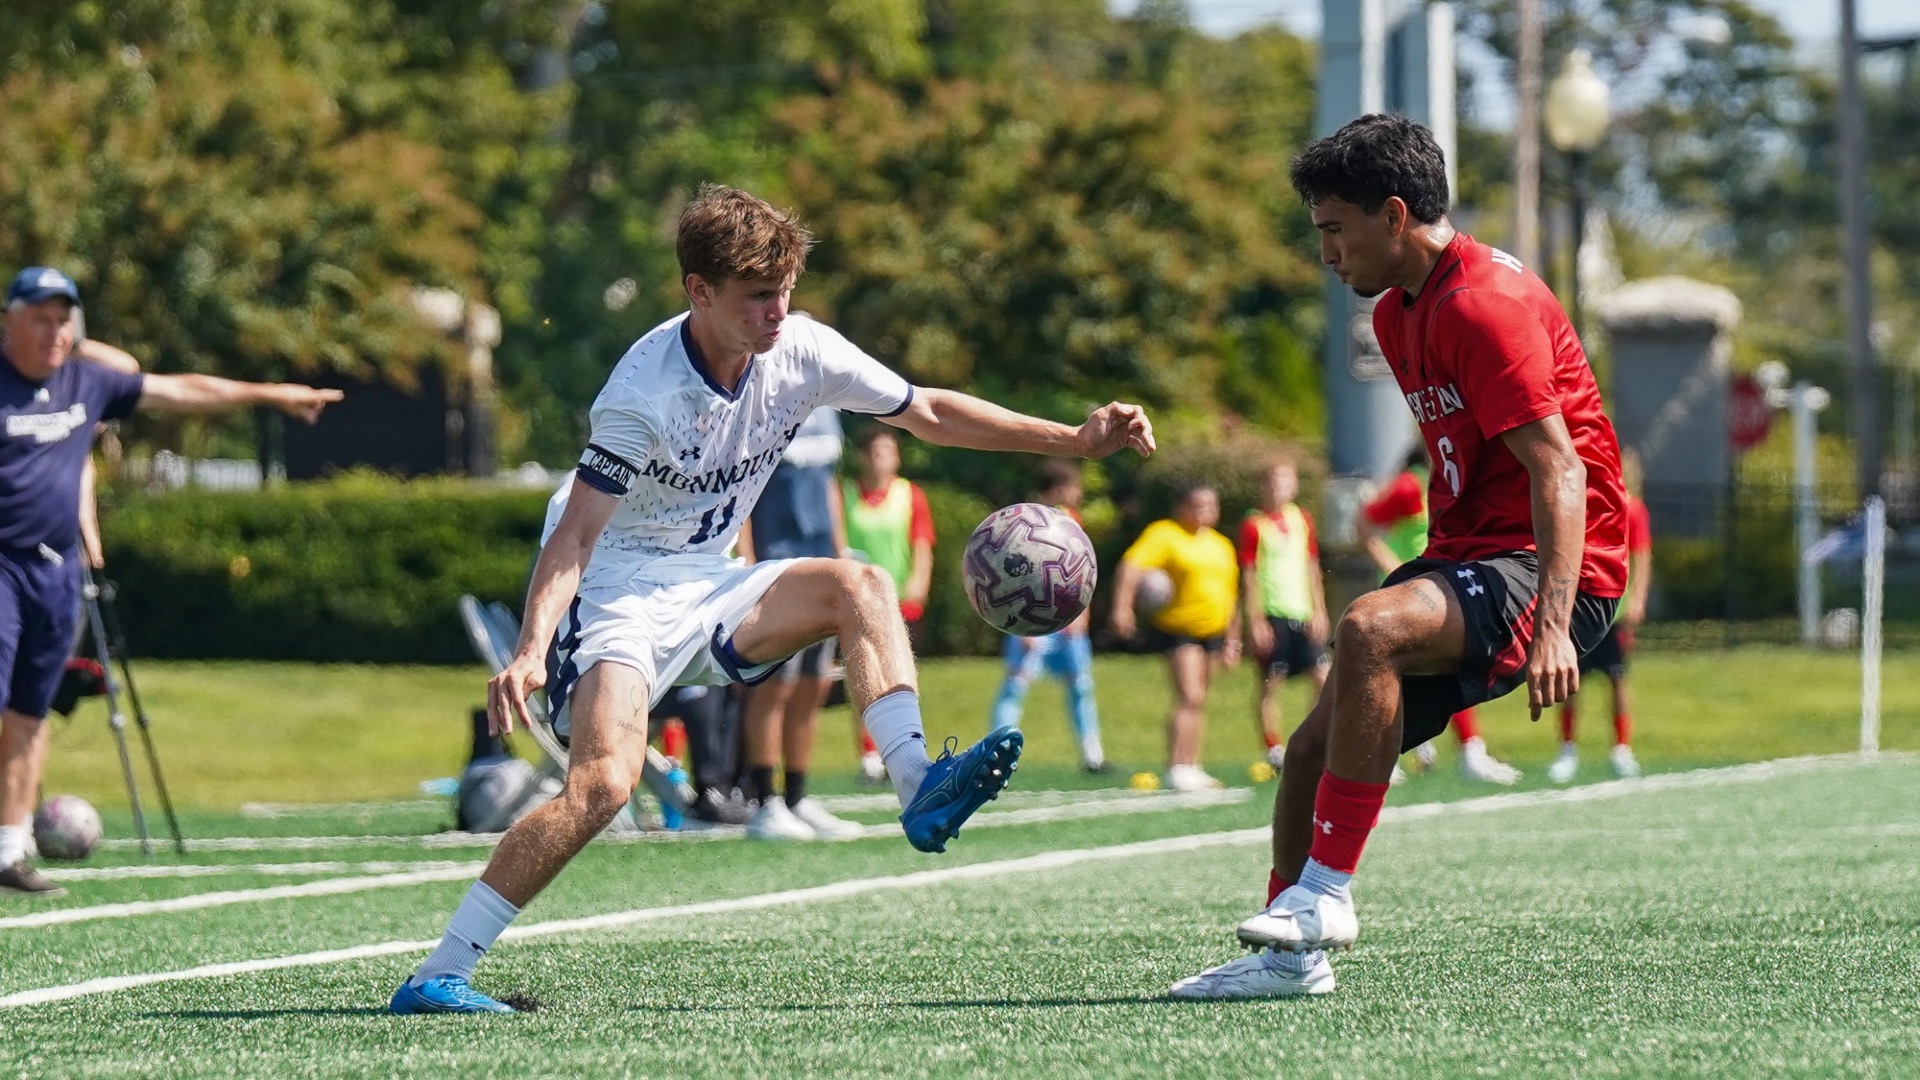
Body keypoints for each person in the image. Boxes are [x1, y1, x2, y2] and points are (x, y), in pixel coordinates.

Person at [391, 185, 1154, 1014]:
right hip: (615, 594)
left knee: (858, 584)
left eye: (784, 291)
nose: (776, 312)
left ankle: (917, 785)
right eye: (757, 296)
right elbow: (573, 538)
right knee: (604, 786)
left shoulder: (803, 349)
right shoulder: (640, 393)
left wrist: (1073, 439)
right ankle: (440, 974)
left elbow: (927, 411)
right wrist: (533, 649)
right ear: (699, 291)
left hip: (709, 580)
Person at [1172, 115, 1626, 1000]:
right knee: (1309, 754)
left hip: (1551, 562)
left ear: (1392, 215)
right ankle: (1287, 961)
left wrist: (1558, 627)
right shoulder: (1397, 310)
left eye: (1335, 231)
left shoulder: (1487, 305)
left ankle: (1328, 896)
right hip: (1472, 558)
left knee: (1369, 626)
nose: (1328, 254)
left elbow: (1559, 471)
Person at [0, 266, 341, 898]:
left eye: (63, 319)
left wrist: (269, 395)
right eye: (39, 319)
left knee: (29, 714)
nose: (54, 332)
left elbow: (183, 390)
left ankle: (8, 850)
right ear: (10, 321)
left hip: (56, 571)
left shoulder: (88, 380)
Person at [734, 406, 864, 839]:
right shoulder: (756, 406)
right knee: (775, 686)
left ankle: (797, 797)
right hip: (775, 563)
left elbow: (828, 484)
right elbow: (740, 490)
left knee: (814, 684)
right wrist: (746, 560)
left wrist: (840, 549)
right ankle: (764, 802)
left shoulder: (827, 408)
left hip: (820, 559)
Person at [1358, 445, 1522, 786]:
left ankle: (1467, 751)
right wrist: (1394, 567)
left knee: (1451, 666)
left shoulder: (1459, 483)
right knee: (1397, 676)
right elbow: (1363, 525)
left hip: (1438, 592)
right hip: (1407, 597)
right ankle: (1382, 754)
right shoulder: (1410, 486)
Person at [1110, 482, 1240, 792]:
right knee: (1189, 696)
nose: (1205, 511)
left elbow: (1231, 595)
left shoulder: (1221, 545)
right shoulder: (1165, 534)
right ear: (1181, 507)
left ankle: (1192, 764)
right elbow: (1131, 567)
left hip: (1213, 632)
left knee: (1200, 700)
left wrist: (1233, 638)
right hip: (1179, 630)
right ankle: (1177, 765)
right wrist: (1122, 608)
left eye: (1211, 505)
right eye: (1197, 505)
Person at [989, 459, 1105, 773]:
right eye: (1075, 486)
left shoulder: (1072, 521)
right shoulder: (1026, 524)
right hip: (1034, 623)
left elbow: (1082, 573)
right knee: (1016, 685)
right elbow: (1015, 579)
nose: (1079, 492)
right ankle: (996, 752)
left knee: (1080, 686)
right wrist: (1022, 626)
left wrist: (1082, 614)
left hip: (1069, 625)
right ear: (1058, 489)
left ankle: (1092, 755)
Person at [840, 425, 935, 782]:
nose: (881, 456)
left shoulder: (910, 494)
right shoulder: (845, 493)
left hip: (900, 601)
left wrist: (918, 583)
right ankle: (869, 751)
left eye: (888, 450)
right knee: (863, 676)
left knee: (898, 678)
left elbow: (922, 542)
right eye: (875, 450)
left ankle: (905, 748)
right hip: (857, 601)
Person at [1552, 451, 1651, 782]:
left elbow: (1642, 556)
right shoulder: (1584, 504)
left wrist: (1637, 599)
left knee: (1618, 679)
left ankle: (1622, 749)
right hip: (1582, 609)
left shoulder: (1633, 509)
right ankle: (1567, 750)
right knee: (1571, 683)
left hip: (1616, 613)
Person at [1237, 457, 1329, 770]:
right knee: (1270, 682)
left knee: (1322, 676)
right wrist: (1256, 620)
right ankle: (1273, 747)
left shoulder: (1302, 519)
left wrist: (1319, 609)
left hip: (1301, 609)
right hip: (1272, 609)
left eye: (1286, 480)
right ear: (1264, 485)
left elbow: (1312, 567)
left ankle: (1311, 740)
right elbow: (1249, 575)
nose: (1280, 487)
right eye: (1274, 480)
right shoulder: (1254, 524)